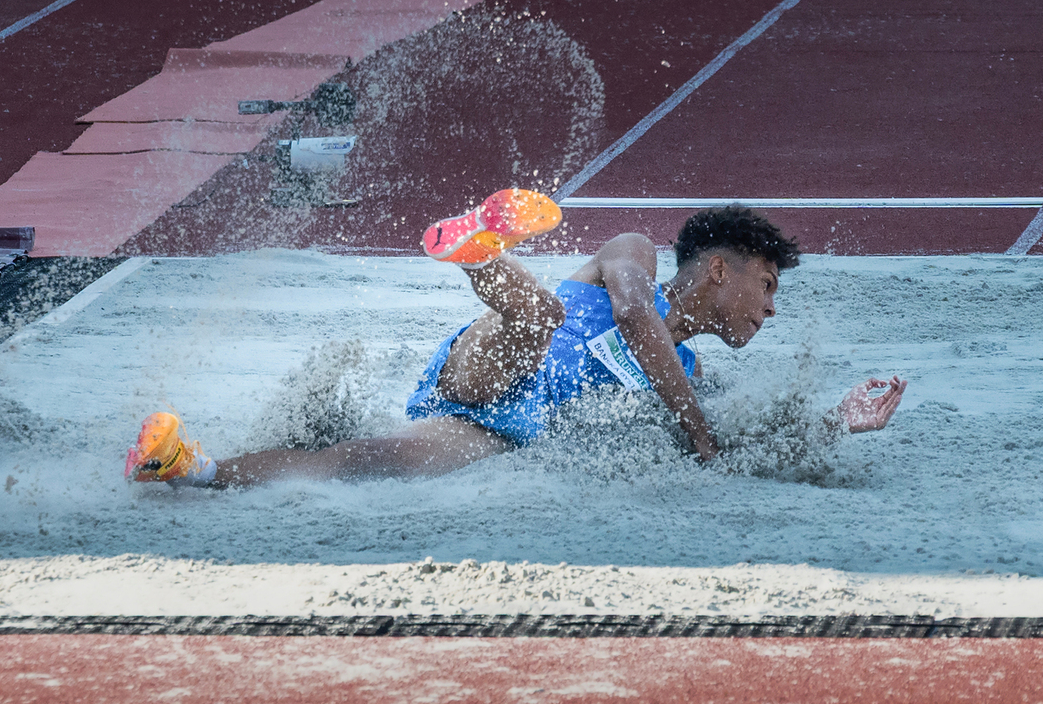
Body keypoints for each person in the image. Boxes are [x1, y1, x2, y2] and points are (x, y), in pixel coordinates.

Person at [124, 189, 907, 489]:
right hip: (490, 355)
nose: (771, 310)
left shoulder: (693, 374)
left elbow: (750, 448)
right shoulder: (633, 256)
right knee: (539, 322)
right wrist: (698, 437)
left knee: (364, 461)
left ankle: (186, 465)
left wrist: (837, 422)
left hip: (497, 430)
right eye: (766, 285)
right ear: (717, 272)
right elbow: (636, 316)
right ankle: (481, 255)